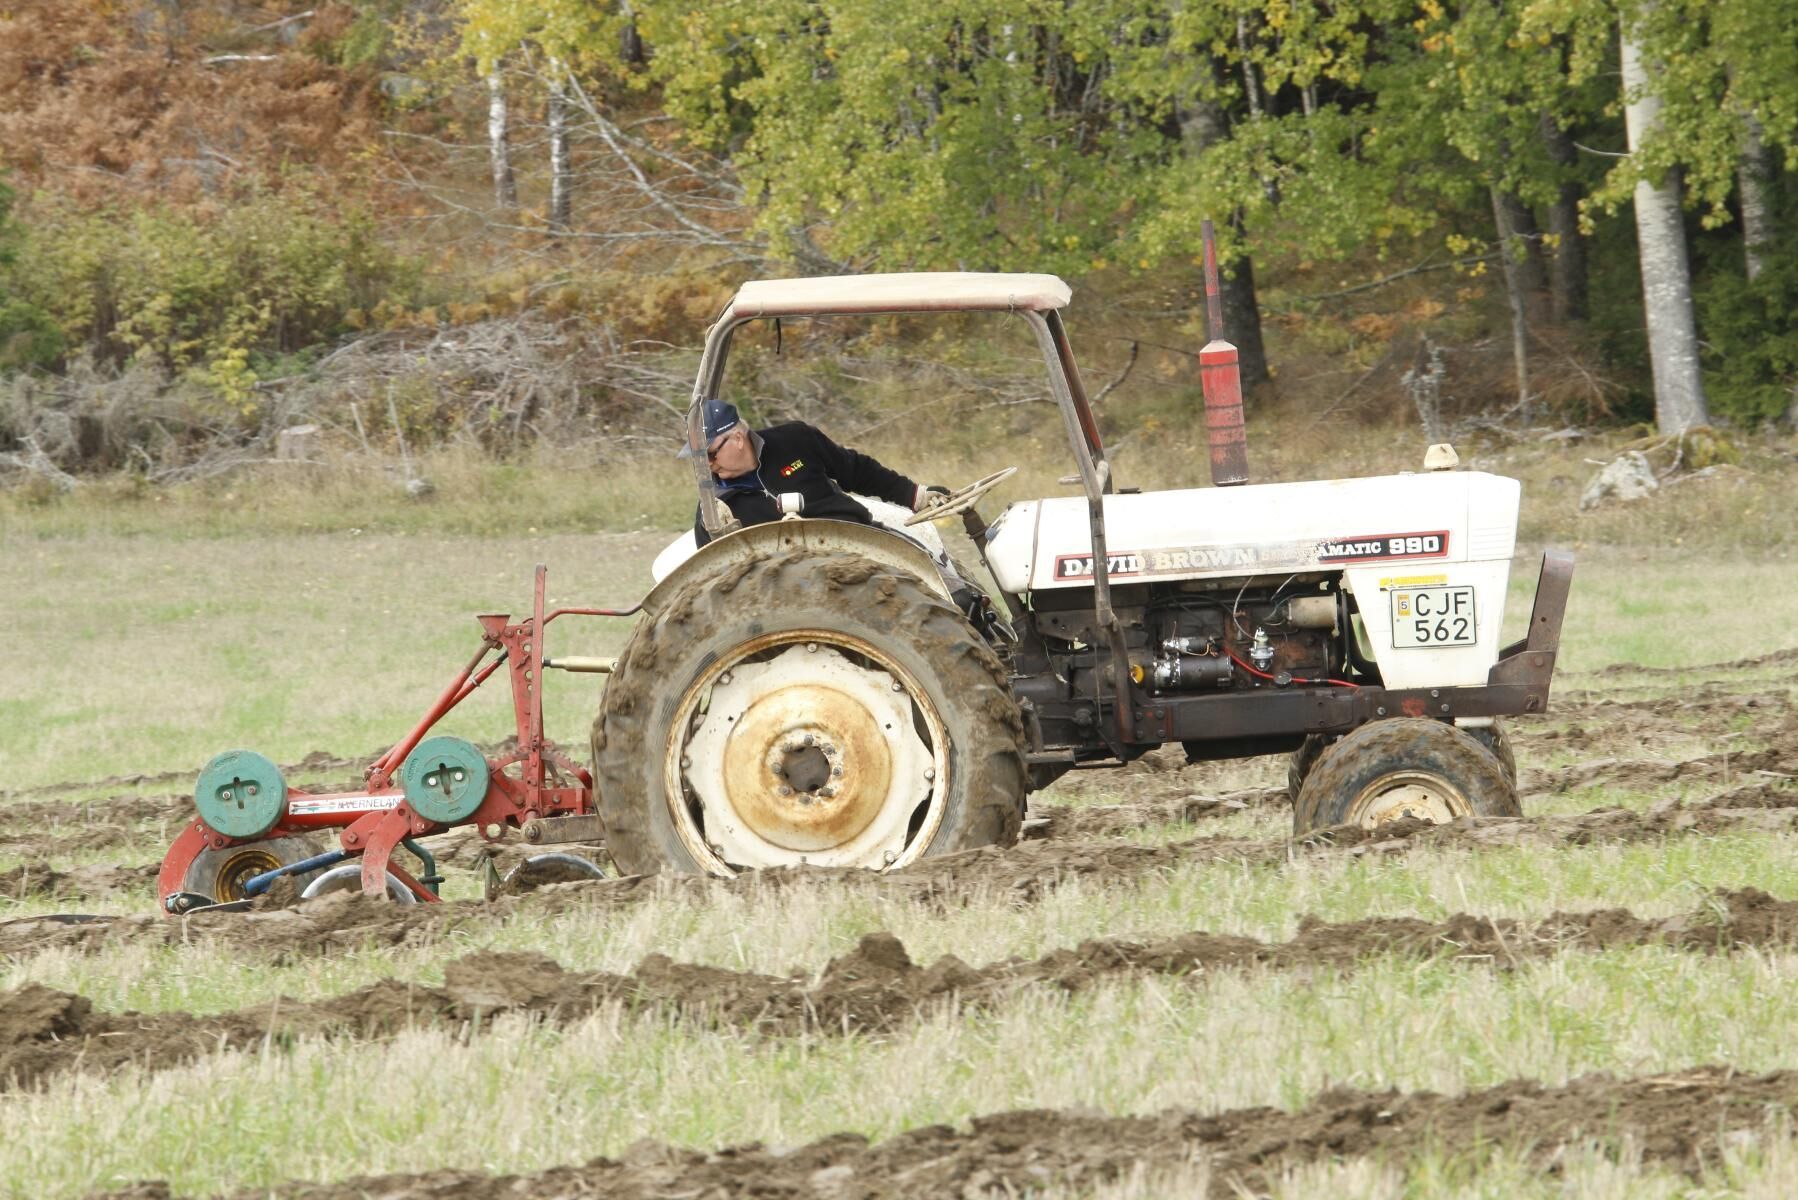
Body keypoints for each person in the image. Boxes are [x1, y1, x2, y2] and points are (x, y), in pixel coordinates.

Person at [679, 399, 1012, 641]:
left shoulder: (795, 441)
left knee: (959, 602)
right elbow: (717, 580)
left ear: (737, 438)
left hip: (862, 542)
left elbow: (857, 470)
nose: (707, 466)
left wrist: (918, 495)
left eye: (709, 454)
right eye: (699, 459)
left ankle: (990, 642)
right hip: (797, 589)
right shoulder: (714, 512)